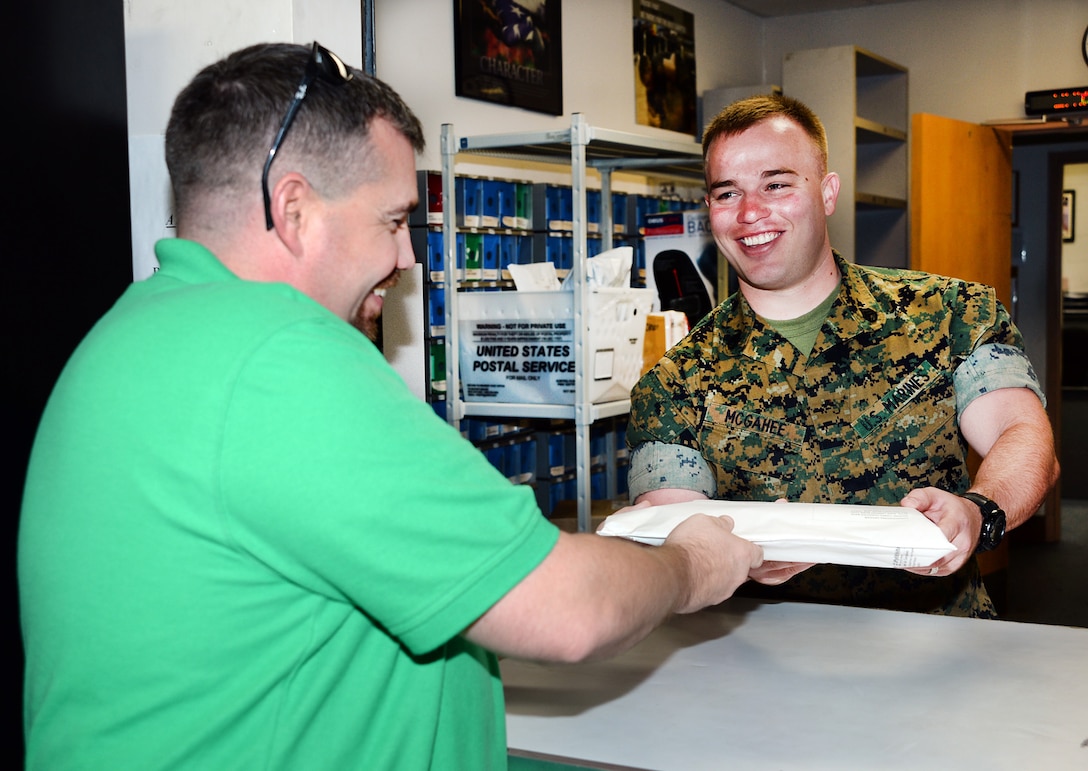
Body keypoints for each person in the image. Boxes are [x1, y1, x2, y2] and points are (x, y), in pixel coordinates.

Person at [17, 42, 764, 769]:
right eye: (393, 219)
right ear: (295, 209)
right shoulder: (278, 355)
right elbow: (570, 610)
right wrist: (690, 560)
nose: (408, 257)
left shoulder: (128, 336)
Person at [627, 93, 1060, 618]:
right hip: (762, 659)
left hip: (939, 644)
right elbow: (674, 515)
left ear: (827, 193)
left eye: (777, 184)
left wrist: (978, 511)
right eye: (727, 193)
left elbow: (1023, 434)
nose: (749, 213)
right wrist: (727, 554)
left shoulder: (948, 314)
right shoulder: (676, 380)